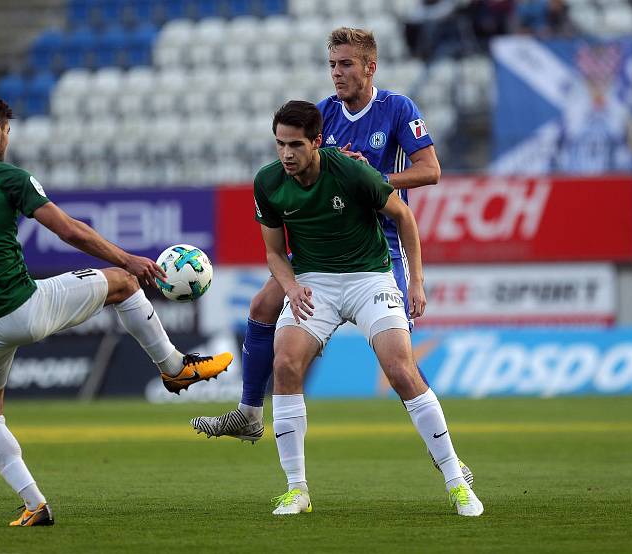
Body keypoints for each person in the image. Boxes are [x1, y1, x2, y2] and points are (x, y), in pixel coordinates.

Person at [0, 91, 233, 527]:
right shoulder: (8, 178)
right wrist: (127, 259)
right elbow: (69, 231)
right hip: (25, 308)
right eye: (6, 131)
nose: (6, 138)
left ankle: (34, 503)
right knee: (121, 284)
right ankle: (174, 366)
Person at [192, 27, 473, 487]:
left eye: (346, 64)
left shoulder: (397, 109)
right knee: (261, 305)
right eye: (332, 65)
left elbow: (432, 170)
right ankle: (247, 413)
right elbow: (298, 170)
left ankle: (443, 453)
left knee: (396, 357)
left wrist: (369, 177)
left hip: (377, 241)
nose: (337, 73)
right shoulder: (321, 115)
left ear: (369, 67)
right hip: (320, 243)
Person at [253, 100, 482, 516]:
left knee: (400, 368)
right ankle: (296, 490)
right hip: (314, 282)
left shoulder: (351, 170)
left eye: (296, 145)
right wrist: (290, 287)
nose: (286, 154)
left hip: (369, 277)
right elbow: (273, 252)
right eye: (280, 144)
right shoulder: (267, 182)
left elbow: (404, 216)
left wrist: (415, 281)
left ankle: (456, 482)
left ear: (317, 143)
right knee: (285, 363)